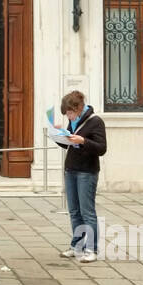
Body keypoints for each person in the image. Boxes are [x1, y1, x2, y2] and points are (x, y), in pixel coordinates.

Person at [57, 90, 107, 262]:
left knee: (87, 212)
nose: (69, 117)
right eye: (67, 114)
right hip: (71, 169)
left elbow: (101, 148)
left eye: (70, 113)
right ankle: (76, 246)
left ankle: (91, 249)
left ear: (78, 108)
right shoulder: (73, 121)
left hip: (87, 171)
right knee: (74, 211)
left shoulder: (96, 122)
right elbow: (68, 145)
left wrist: (83, 141)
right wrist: (58, 136)